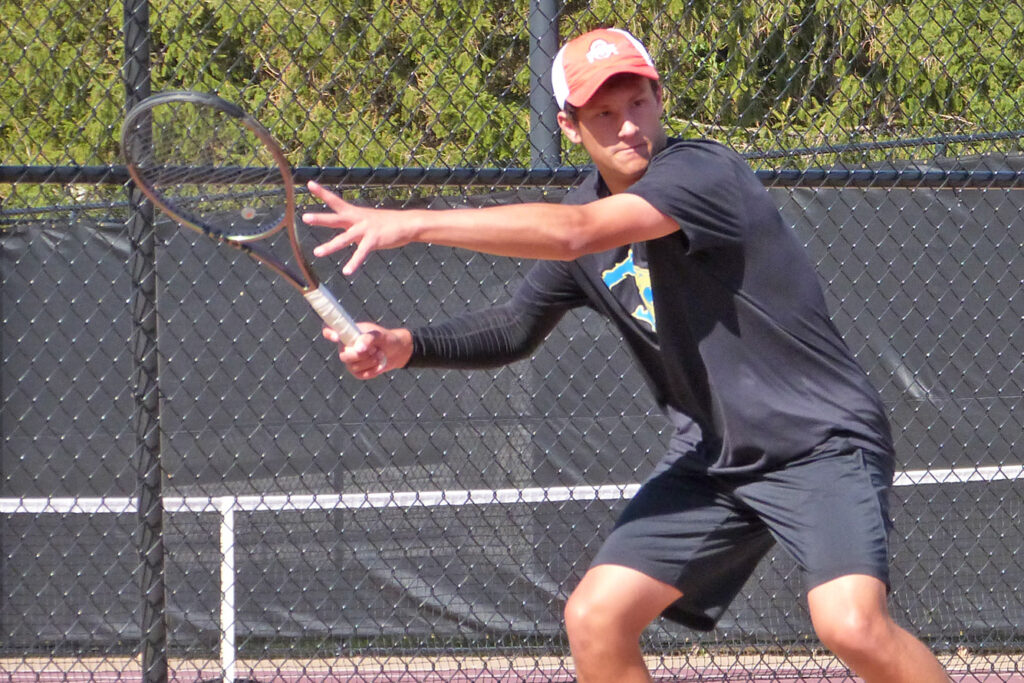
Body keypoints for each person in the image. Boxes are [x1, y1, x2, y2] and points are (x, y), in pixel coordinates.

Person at [302, 27, 951, 683]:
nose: (627, 126)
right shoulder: (583, 212)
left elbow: (573, 235)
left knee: (852, 625)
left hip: (817, 439)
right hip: (714, 459)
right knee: (596, 616)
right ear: (571, 125)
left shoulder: (703, 172)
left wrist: (411, 222)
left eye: (637, 102)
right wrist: (408, 345)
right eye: (603, 114)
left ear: (659, 97)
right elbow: (514, 326)